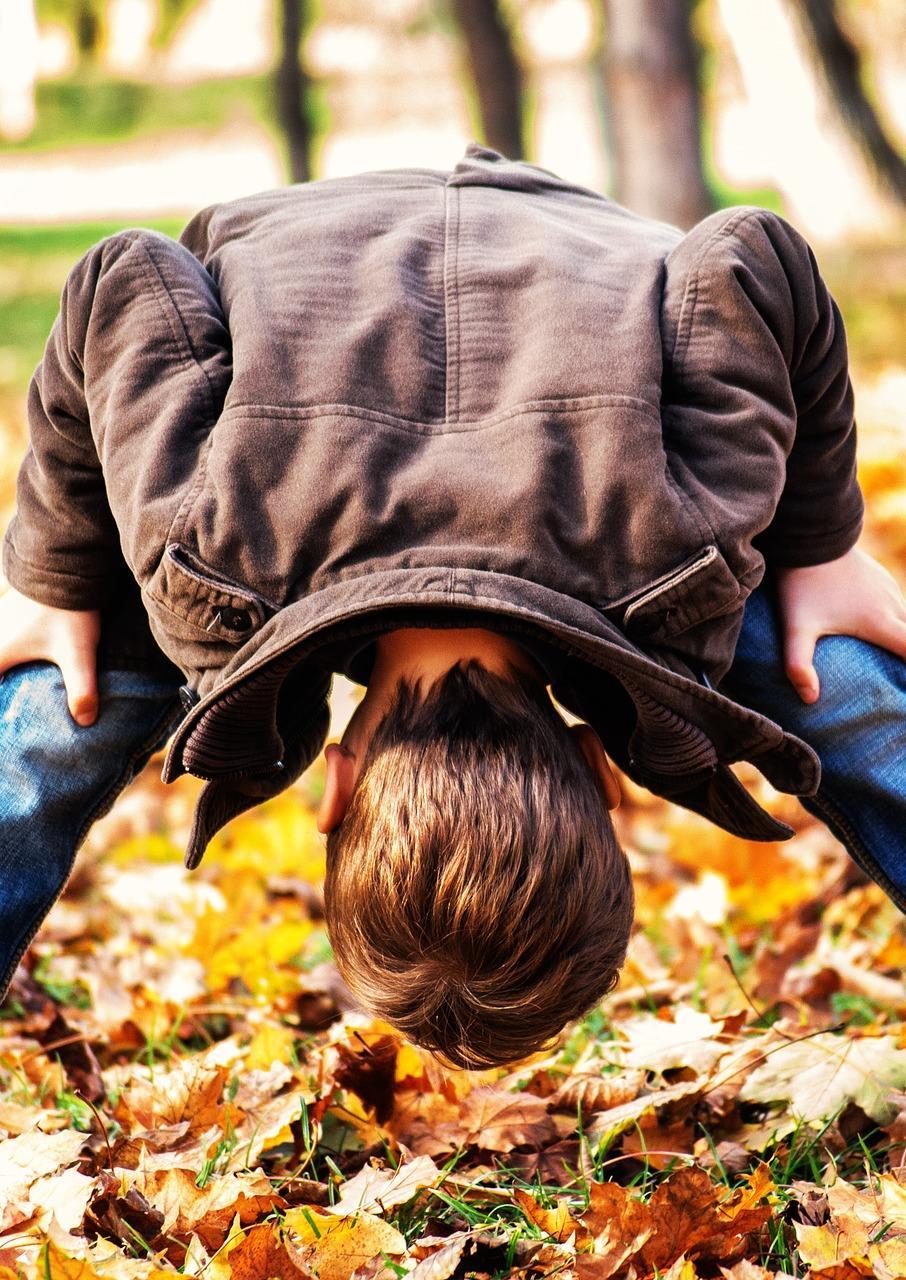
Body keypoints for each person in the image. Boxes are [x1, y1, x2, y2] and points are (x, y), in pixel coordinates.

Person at [1, 141, 904, 1069]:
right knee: (89, 684)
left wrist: (816, 550)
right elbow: (124, 281)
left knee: (801, 666)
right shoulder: (212, 565)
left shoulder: (679, 557)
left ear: (599, 775)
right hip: (499, 245)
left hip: (471, 251)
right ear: (339, 790)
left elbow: (750, 259)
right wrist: (58, 579)